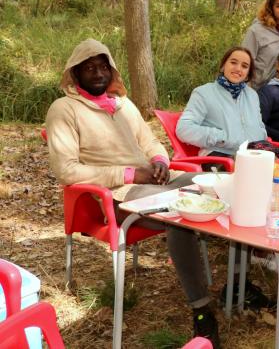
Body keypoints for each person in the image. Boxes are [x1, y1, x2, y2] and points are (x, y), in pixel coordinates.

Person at [45, 39, 221, 347]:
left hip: (154, 181)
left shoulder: (123, 105)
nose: (97, 73)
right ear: (75, 74)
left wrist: (160, 161)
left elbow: (150, 141)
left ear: (111, 69)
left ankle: (242, 277)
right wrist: (127, 173)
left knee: (214, 185)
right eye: (89, 68)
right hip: (114, 196)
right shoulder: (64, 109)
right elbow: (66, 170)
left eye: (103, 66)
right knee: (179, 212)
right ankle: (202, 310)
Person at [177, 47, 268, 158]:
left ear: (248, 73)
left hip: (252, 155)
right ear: (223, 65)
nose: (238, 69)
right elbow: (184, 129)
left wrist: (259, 141)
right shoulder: (203, 93)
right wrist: (221, 137)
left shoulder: (252, 95)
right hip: (219, 156)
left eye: (244, 66)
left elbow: (260, 127)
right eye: (233, 62)